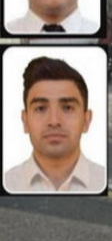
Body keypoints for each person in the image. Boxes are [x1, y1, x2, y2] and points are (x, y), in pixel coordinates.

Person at [4, 57, 105, 193]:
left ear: (86, 120)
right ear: (25, 120)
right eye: (41, 108)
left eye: (67, 108)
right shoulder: (9, 182)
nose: (54, 121)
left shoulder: (102, 180)